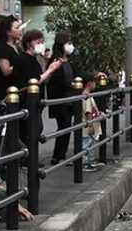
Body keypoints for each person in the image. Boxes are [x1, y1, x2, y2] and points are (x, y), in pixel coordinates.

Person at [13, 29, 62, 143]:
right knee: (30, 131)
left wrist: (50, 71)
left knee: (36, 129)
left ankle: (31, 159)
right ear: (28, 43)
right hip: (26, 101)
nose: (41, 44)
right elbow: (36, 80)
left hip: (35, 102)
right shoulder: (23, 59)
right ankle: (27, 159)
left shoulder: (34, 60)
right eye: (38, 42)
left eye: (42, 42)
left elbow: (41, 79)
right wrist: (50, 69)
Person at [46, 31, 77, 165]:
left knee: (67, 127)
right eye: (68, 43)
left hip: (70, 99)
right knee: (64, 126)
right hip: (60, 99)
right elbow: (54, 81)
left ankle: (61, 155)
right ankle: (57, 156)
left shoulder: (69, 60)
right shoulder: (54, 60)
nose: (71, 46)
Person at [0, 16, 22, 110]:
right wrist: (21, 63)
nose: (20, 30)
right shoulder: (1, 48)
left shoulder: (17, 47)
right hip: (6, 95)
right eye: (17, 28)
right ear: (8, 32)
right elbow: (6, 71)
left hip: (19, 92)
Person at [81, 73, 105, 170]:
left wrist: (99, 114)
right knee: (87, 145)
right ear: (89, 83)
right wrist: (90, 125)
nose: (95, 84)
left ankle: (90, 162)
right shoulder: (87, 97)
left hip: (88, 125)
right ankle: (86, 163)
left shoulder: (86, 95)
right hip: (88, 126)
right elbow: (88, 112)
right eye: (94, 82)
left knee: (90, 144)